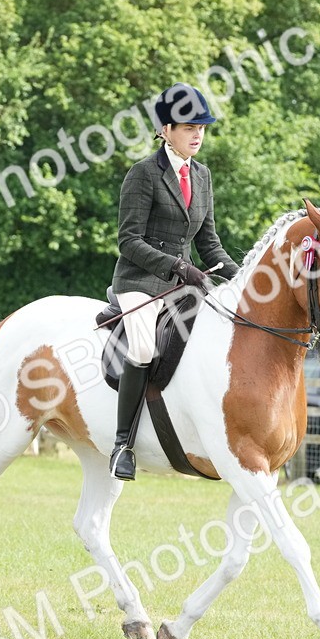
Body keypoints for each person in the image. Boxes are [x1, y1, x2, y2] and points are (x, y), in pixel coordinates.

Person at [109, 82, 240, 481]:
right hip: (141, 283)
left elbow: (208, 242)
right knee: (145, 347)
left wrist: (242, 278)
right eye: (188, 127)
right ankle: (122, 445)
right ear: (166, 130)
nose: (198, 134)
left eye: (202, 127)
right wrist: (178, 268)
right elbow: (128, 240)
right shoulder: (143, 174)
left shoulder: (202, 175)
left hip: (183, 286)